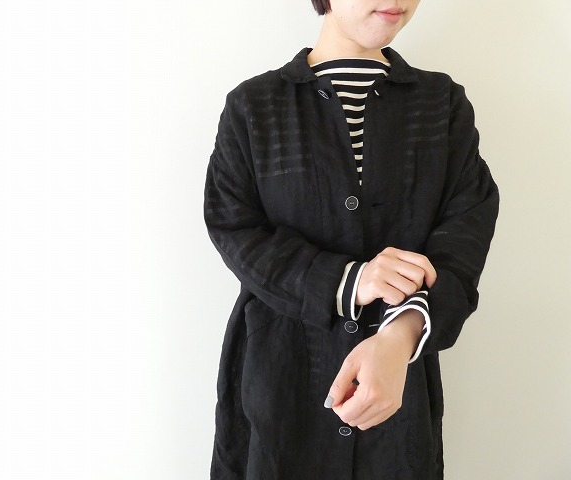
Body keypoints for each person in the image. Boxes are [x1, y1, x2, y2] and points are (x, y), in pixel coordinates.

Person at [204, 0, 499, 478]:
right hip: (282, 385)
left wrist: (400, 336)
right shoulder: (254, 106)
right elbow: (234, 227)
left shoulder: (441, 104)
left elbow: (464, 233)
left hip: (400, 397)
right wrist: (349, 281)